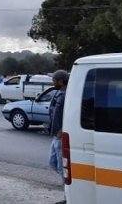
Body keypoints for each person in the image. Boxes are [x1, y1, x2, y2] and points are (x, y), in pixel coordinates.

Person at [49, 70, 68, 204]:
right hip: (55, 136)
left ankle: (68, 198)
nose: (52, 82)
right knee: (52, 162)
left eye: (54, 80)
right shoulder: (59, 93)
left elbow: (68, 114)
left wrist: (62, 129)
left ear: (60, 81)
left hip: (61, 136)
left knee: (63, 168)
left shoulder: (67, 95)